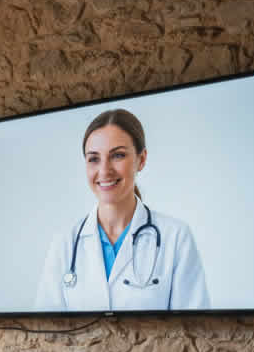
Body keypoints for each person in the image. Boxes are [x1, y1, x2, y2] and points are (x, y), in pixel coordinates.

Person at [34, 108, 209, 312]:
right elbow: (45, 332)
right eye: (94, 159)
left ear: (141, 160)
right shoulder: (65, 242)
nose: (104, 170)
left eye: (117, 155)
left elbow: (196, 331)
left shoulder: (176, 237)